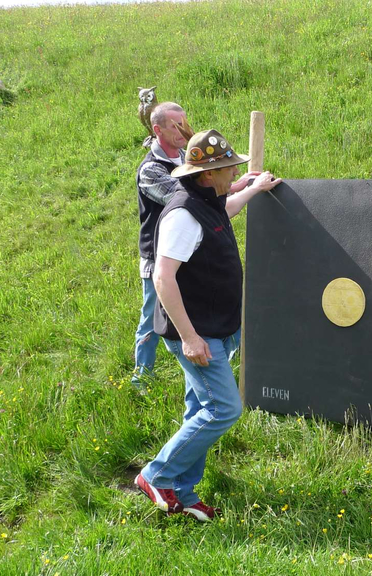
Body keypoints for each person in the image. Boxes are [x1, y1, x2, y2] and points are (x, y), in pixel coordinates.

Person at [135, 128, 280, 521]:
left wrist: (252, 189)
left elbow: (224, 211)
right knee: (224, 409)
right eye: (229, 168)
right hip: (196, 333)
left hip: (213, 328)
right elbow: (163, 277)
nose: (234, 172)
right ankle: (156, 475)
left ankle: (182, 492)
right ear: (207, 174)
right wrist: (189, 337)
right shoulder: (182, 214)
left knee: (199, 408)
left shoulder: (207, 201)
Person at [133, 102, 190, 388]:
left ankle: (196, 367)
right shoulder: (150, 170)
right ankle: (141, 379)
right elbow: (183, 198)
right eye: (175, 126)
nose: (183, 131)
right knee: (151, 319)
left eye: (185, 123)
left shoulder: (186, 158)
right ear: (158, 130)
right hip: (158, 257)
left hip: (185, 253)